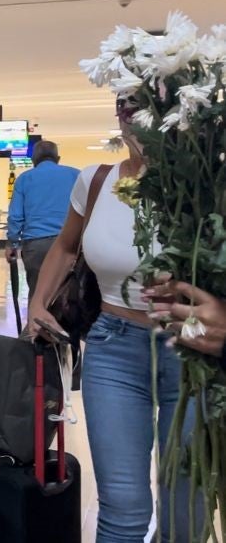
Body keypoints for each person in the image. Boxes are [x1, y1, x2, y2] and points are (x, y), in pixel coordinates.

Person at [27, 98, 200, 542]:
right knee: (122, 507)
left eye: (152, 102)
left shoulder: (205, 180)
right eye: (125, 105)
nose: (134, 117)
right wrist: (38, 302)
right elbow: (67, 247)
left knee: (186, 510)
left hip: (195, 352)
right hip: (113, 346)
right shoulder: (96, 181)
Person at [4, 140, 79, 300]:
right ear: (58, 158)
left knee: (38, 294)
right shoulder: (76, 175)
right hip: (71, 244)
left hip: (36, 246)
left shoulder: (25, 179)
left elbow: (16, 215)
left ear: (33, 160)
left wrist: (12, 244)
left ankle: (36, 323)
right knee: (69, 295)